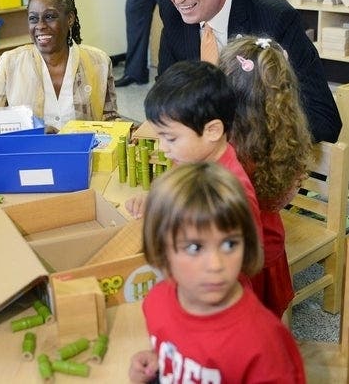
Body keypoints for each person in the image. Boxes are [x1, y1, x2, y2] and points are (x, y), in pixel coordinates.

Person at [127, 162, 306, 383]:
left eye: (229, 244)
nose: (215, 265)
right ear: (161, 250)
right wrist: (160, 362)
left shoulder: (264, 344)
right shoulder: (156, 303)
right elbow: (180, 349)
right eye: (194, 247)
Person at [157, 0, 341, 143]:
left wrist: (238, 138)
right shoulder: (171, 9)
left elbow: (323, 119)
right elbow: (167, 91)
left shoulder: (274, 17)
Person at [219, 35, 313, 318]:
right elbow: (283, 197)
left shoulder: (228, 148)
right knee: (270, 315)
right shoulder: (287, 134)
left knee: (247, 321)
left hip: (243, 255)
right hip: (271, 244)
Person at [124, 61, 262, 249]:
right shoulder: (189, 159)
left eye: (171, 138)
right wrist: (156, 200)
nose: (163, 148)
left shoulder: (229, 194)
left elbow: (235, 262)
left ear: (212, 131)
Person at [0, 0, 119, 132]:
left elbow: (110, 119)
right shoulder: (10, 62)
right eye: (33, 19)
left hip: (85, 153)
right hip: (31, 153)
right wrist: (35, 131)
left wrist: (129, 132)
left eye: (50, 16)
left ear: (70, 19)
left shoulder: (99, 62)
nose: (40, 26)